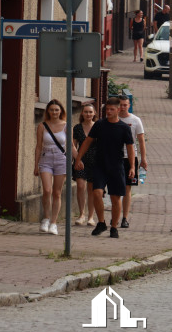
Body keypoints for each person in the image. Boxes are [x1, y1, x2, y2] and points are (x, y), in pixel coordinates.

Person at [75, 97, 135, 238]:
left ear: (118, 109)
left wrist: (132, 167)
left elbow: (130, 148)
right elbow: (87, 142)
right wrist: (78, 158)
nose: (108, 111)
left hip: (116, 167)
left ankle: (114, 226)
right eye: (107, 109)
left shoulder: (124, 128)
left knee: (115, 199)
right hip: (100, 165)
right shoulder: (100, 125)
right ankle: (101, 222)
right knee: (96, 193)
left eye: (111, 109)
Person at [34, 99, 72, 235]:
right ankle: (46, 218)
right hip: (46, 159)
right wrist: (35, 165)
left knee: (57, 192)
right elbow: (38, 147)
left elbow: (71, 146)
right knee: (47, 190)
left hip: (61, 159)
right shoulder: (42, 126)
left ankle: (54, 223)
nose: (54, 112)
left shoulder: (67, 125)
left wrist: (78, 159)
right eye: (52, 110)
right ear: (48, 111)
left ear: (61, 111)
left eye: (57, 110)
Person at [117, 96, 148, 229]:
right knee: (115, 189)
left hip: (129, 158)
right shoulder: (112, 118)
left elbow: (141, 140)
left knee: (127, 188)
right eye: (121, 105)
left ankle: (125, 218)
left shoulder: (135, 120)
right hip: (114, 158)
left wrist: (143, 159)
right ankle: (115, 216)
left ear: (129, 105)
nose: (123, 107)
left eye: (125, 105)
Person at [72, 101, 98, 226]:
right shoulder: (77, 128)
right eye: (86, 112)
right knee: (81, 186)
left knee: (91, 189)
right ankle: (81, 214)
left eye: (90, 112)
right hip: (80, 161)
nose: (88, 114)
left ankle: (91, 217)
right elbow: (72, 145)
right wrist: (77, 159)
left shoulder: (98, 127)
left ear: (94, 114)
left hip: (95, 161)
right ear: (82, 113)